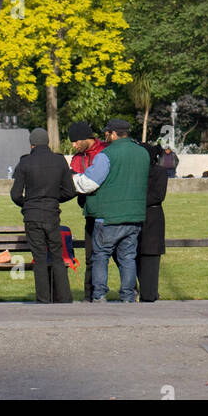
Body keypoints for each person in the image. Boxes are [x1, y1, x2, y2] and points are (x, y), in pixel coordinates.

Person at [72, 119, 150, 303]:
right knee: (128, 258)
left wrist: (72, 179)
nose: (105, 136)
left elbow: (89, 183)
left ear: (113, 134)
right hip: (134, 216)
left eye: (107, 133)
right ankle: (128, 296)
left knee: (100, 256)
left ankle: (99, 295)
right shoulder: (143, 153)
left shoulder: (106, 155)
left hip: (108, 216)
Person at [10, 127, 76, 304]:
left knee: (39, 257)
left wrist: (28, 204)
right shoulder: (60, 161)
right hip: (52, 214)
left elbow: (15, 194)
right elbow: (70, 191)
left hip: (32, 216)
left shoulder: (25, 162)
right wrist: (54, 199)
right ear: (47, 142)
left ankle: (43, 299)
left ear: (32, 144)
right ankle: (64, 297)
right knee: (57, 255)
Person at [67, 120, 107, 301]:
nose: (74, 146)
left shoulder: (104, 151)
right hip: (90, 212)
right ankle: (89, 295)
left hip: (107, 211)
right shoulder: (77, 158)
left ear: (85, 138)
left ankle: (130, 292)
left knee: (118, 256)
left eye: (75, 142)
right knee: (90, 257)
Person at [137, 143, 168, 302]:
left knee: (150, 255)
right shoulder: (138, 172)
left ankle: (149, 293)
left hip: (151, 217)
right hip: (145, 215)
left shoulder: (159, 173)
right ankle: (146, 291)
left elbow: (158, 195)